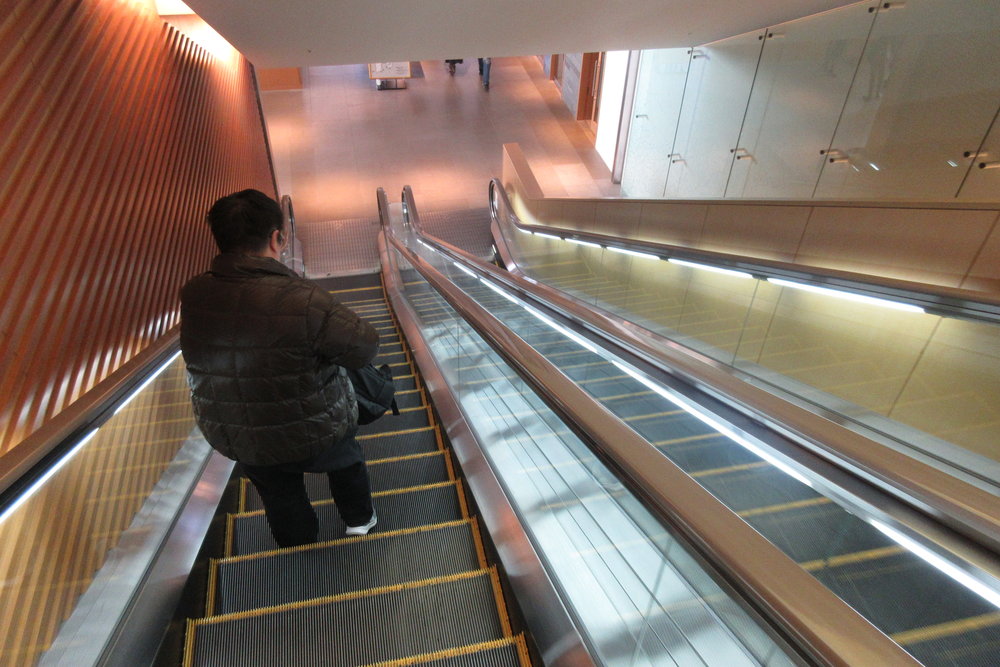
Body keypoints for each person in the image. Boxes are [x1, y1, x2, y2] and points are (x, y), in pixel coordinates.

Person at [180, 189, 380, 547]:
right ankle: (359, 521)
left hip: (239, 429)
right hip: (316, 424)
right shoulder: (303, 298)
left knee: (275, 488)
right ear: (277, 238)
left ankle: (298, 542)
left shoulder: (194, 293)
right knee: (345, 461)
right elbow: (363, 348)